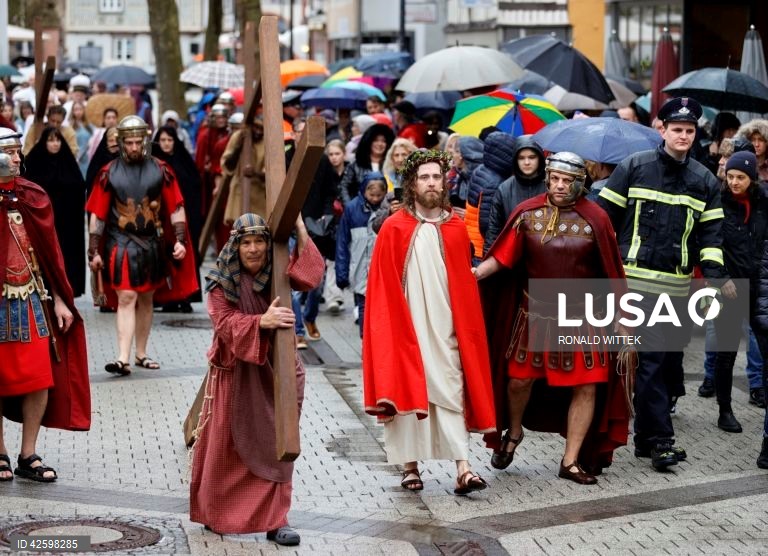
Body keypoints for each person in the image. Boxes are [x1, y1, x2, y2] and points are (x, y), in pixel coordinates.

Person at [474, 152, 630, 484]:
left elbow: (612, 271)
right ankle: (514, 433)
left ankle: (570, 460)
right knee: (518, 381)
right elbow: (502, 257)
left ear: (580, 182)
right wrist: (476, 272)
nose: (559, 186)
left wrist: (622, 314)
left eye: (567, 180)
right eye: (555, 178)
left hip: (582, 318)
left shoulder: (596, 219)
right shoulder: (527, 213)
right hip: (535, 314)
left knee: (586, 386)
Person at [597, 97, 728, 471]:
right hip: (630, 286)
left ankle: (644, 439)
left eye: (689, 131)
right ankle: (659, 441)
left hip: (675, 289)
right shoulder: (633, 167)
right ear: (663, 130)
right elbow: (602, 221)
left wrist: (714, 284)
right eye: (677, 130)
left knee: (661, 365)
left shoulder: (704, 181)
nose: (683, 136)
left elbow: (712, 239)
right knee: (644, 364)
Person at [363, 150, 495, 494]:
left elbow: (463, 286)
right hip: (407, 329)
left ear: (445, 182)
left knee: (451, 390)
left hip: (448, 329)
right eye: (424, 177)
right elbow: (380, 287)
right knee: (406, 394)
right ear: (412, 183)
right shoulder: (393, 228)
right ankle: (410, 467)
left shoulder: (455, 228)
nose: (432, 183)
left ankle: (464, 468)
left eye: (437, 177)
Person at [190, 213, 324, 544]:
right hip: (236, 375)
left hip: (279, 375)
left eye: (260, 241)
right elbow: (223, 322)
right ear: (235, 246)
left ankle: (278, 520)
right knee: (227, 447)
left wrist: (301, 229)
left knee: (279, 445)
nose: (253, 249)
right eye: (246, 242)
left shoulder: (279, 273)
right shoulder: (223, 283)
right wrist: (260, 322)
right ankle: (217, 512)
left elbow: (310, 275)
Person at [0, 127, 90, 483]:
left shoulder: (33, 195)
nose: (18, 158)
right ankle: (0, 453)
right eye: (10, 151)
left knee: (40, 378)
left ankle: (28, 453)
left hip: (31, 296)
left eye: (18, 151)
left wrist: (62, 302)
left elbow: (50, 254)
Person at [86, 116, 198, 376]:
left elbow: (176, 207)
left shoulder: (161, 170)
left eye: (139, 142)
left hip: (152, 243)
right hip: (120, 241)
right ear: (121, 143)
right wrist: (93, 250)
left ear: (145, 141)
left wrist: (180, 241)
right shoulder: (108, 173)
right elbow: (98, 215)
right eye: (129, 142)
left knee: (147, 298)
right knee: (126, 296)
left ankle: (141, 353)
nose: (134, 147)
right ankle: (122, 357)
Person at [23, 127, 87, 297]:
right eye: (51, 140)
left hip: (66, 224)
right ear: (44, 142)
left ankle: (67, 287)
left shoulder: (68, 163)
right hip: (42, 224)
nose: (55, 144)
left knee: (66, 257)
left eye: (58, 140)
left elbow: (79, 187)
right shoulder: (34, 162)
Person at [152, 125, 205, 312]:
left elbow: (195, 187)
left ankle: (184, 295)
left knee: (184, 257)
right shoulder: (153, 164)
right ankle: (162, 297)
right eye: (163, 140)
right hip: (161, 220)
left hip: (184, 219)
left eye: (169, 140)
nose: (166, 144)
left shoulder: (183, 161)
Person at [335, 172, 387, 338]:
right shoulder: (352, 208)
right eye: (371, 194)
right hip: (359, 268)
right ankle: (366, 342)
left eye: (379, 195)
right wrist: (341, 273)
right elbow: (342, 242)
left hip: (381, 269)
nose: (375, 198)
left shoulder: (388, 209)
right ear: (364, 190)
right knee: (364, 306)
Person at [484, 135, 546, 252]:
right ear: (515, 160)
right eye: (521, 158)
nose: (527, 162)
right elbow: (493, 230)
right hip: (512, 257)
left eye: (532, 157)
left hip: (544, 256)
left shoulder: (551, 186)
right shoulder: (504, 189)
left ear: (539, 158)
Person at [465, 131, 517, 263]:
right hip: (481, 250)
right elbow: (487, 224)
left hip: (472, 243)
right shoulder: (495, 183)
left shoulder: (481, 169)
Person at [339, 123, 394, 205]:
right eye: (376, 140)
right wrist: (349, 206)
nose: (379, 144)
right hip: (360, 209)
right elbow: (343, 186)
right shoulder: (356, 165)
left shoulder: (392, 165)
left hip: (386, 211)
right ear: (369, 142)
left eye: (383, 141)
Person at [68, 100, 94, 178]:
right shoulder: (70, 127)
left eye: (80, 109)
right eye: (76, 109)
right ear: (72, 111)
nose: (78, 112)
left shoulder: (90, 126)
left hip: (88, 158)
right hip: (75, 159)